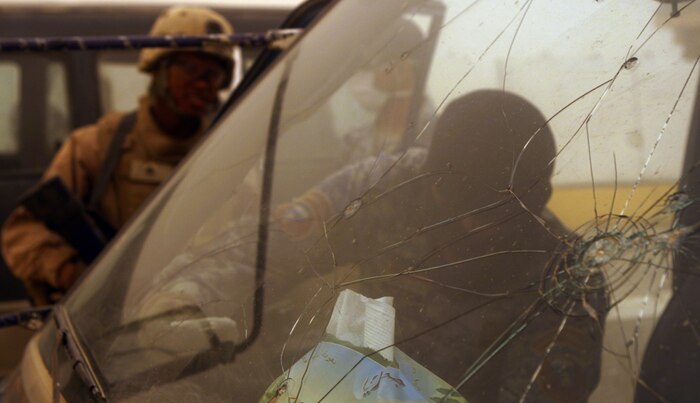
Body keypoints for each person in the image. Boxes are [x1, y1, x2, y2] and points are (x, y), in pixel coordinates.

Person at [1, 6, 236, 304]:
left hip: (192, 310)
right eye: (189, 69)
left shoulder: (228, 153)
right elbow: (23, 232)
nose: (202, 84)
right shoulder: (97, 146)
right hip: (100, 321)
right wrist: (69, 272)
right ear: (159, 69)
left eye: (212, 74)